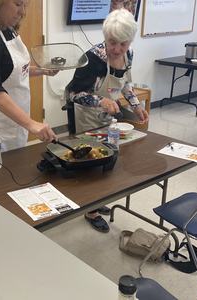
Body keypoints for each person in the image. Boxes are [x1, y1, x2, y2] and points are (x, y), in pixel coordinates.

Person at [66, 9, 149, 233]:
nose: (117, 49)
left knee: (108, 156)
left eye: (123, 44)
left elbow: (127, 84)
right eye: (112, 43)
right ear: (105, 37)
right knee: (89, 161)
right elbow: (74, 93)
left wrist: (135, 106)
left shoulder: (128, 54)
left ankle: (98, 199)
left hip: (108, 115)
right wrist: (101, 101)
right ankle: (90, 209)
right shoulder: (93, 58)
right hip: (86, 115)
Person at [0, 0, 57, 159]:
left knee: (13, 165)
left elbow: (12, 71)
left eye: (25, 6)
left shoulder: (7, 28)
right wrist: (31, 124)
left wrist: (43, 70)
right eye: (18, 4)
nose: (23, 12)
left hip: (11, 116)